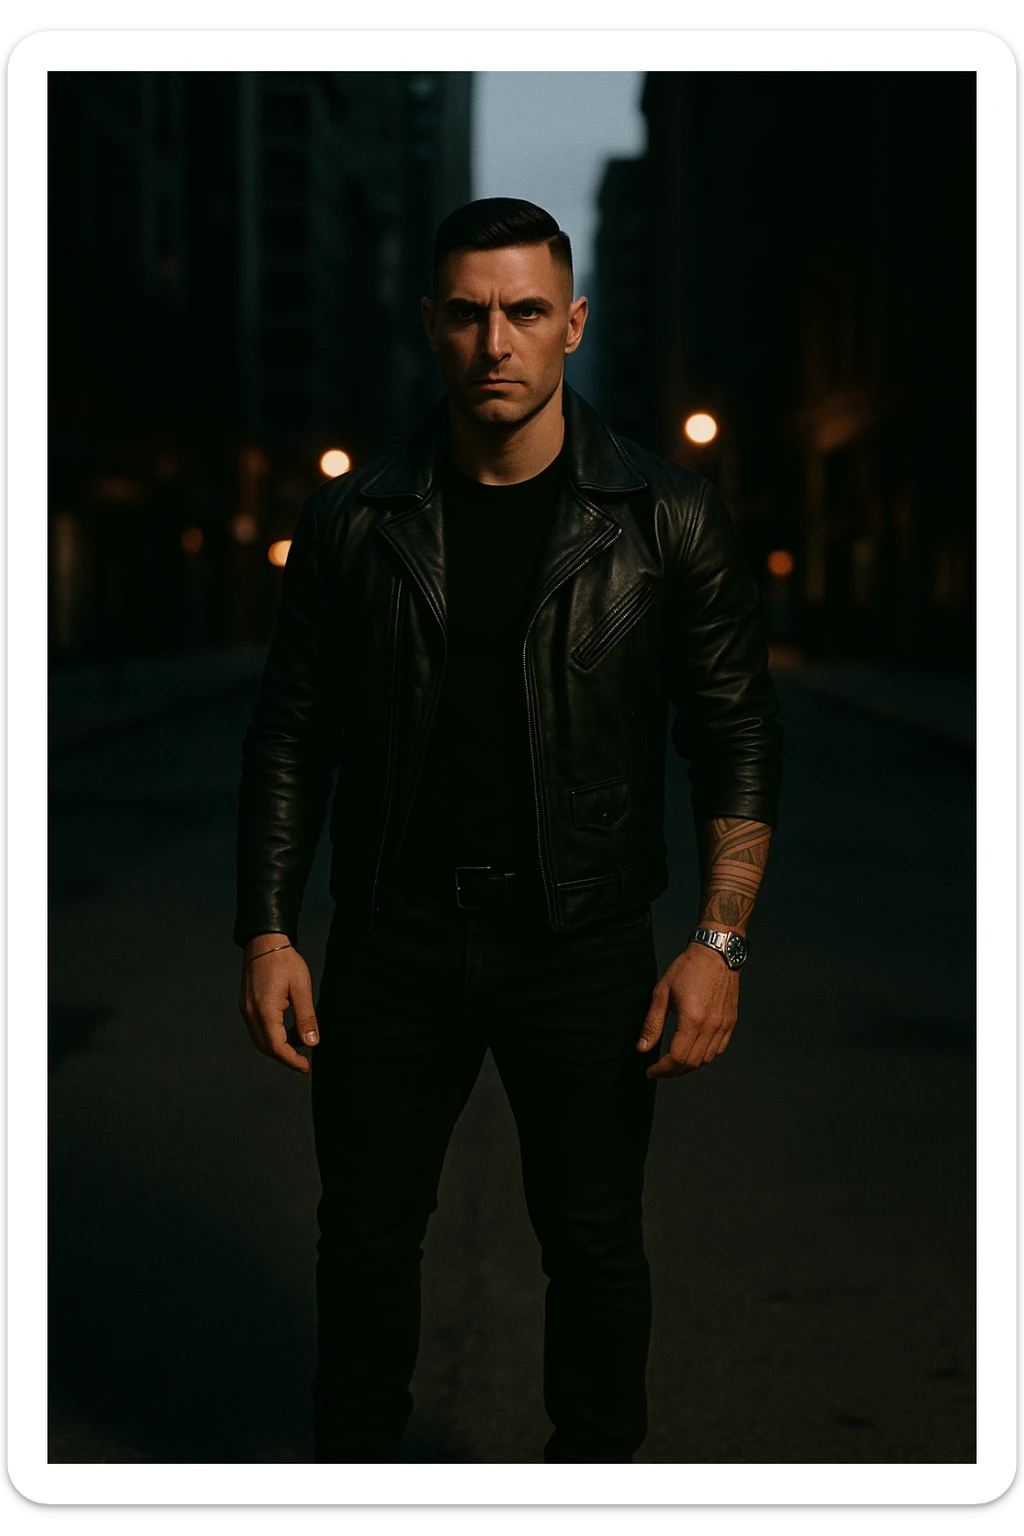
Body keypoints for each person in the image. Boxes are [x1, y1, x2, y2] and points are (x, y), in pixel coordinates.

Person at [235, 197, 781, 1465]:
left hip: (581, 943)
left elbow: (736, 735)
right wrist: (267, 929)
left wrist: (718, 939)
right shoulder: (354, 520)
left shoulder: (663, 517)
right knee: (364, 1246)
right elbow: (288, 736)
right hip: (390, 941)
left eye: (527, 312)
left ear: (573, 324)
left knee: (593, 1248)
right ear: (431, 324)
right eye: (470, 313)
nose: (498, 342)